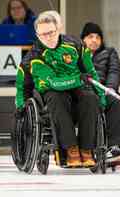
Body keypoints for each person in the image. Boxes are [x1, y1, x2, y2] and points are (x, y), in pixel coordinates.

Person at [29, 12, 107, 167]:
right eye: (43, 34)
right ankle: (71, 149)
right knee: (57, 97)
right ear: (38, 36)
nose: (48, 37)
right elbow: (54, 83)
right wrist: (78, 79)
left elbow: (90, 71)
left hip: (76, 87)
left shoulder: (75, 44)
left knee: (90, 97)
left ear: (57, 30)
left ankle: (86, 149)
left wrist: (101, 95)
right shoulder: (35, 55)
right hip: (53, 90)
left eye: (51, 32)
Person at [80, 22, 120, 163]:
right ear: (83, 39)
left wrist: (110, 88)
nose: (94, 40)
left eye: (98, 37)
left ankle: (115, 147)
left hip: (104, 90)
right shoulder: (76, 54)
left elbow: (115, 72)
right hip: (83, 93)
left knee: (115, 101)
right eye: (91, 36)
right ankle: (87, 148)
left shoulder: (109, 53)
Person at [0, 0, 36, 87]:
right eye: (13, 9)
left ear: (25, 9)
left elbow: (38, 40)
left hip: (28, 65)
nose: (16, 11)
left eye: (19, 8)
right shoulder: (6, 22)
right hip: (7, 66)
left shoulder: (34, 22)